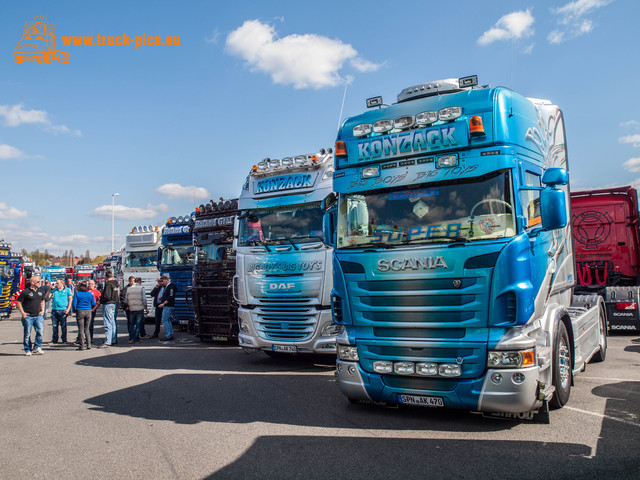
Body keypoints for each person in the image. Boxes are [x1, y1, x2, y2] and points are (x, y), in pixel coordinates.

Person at [16, 276, 46, 356]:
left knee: (40, 331)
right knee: (27, 334)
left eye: (39, 281)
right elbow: (18, 302)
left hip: (38, 315)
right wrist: (23, 313)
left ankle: (37, 346)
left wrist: (42, 311)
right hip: (28, 316)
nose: (39, 283)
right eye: (38, 282)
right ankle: (27, 349)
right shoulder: (25, 292)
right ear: (32, 283)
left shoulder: (40, 291)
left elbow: (42, 301)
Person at [73, 281, 95, 350]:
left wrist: (75, 310)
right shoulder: (90, 294)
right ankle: (89, 344)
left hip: (80, 311)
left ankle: (82, 345)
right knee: (87, 328)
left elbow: (74, 304)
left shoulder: (77, 294)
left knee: (81, 329)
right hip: (88, 311)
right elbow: (93, 303)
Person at [100, 270, 119, 348]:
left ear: (106, 277)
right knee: (113, 322)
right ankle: (113, 339)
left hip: (108, 304)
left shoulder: (108, 284)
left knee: (107, 322)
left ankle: (108, 341)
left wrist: (102, 300)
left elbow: (106, 295)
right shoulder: (116, 284)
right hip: (115, 303)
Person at [125, 277, 148, 343]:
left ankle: (131, 338)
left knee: (131, 323)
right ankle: (136, 338)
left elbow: (126, 299)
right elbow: (144, 299)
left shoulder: (128, 289)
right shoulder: (141, 288)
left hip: (131, 308)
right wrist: (145, 307)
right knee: (138, 323)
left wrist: (128, 305)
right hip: (139, 308)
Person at [50, 278, 72, 343]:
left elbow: (70, 299)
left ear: (62, 283)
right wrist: (50, 289)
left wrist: (68, 309)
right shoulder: (54, 290)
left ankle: (64, 339)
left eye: (58, 283)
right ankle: (55, 339)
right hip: (54, 309)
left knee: (63, 326)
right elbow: (48, 297)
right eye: (56, 283)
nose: (56, 284)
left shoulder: (67, 290)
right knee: (54, 326)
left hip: (63, 309)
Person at [158, 275, 176, 341]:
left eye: (162, 281)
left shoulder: (171, 286)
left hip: (168, 305)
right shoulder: (167, 286)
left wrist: (163, 303)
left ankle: (168, 335)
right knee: (168, 320)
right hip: (168, 305)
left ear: (166, 279)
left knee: (165, 320)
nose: (162, 283)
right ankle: (170, 334)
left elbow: (171, 296)